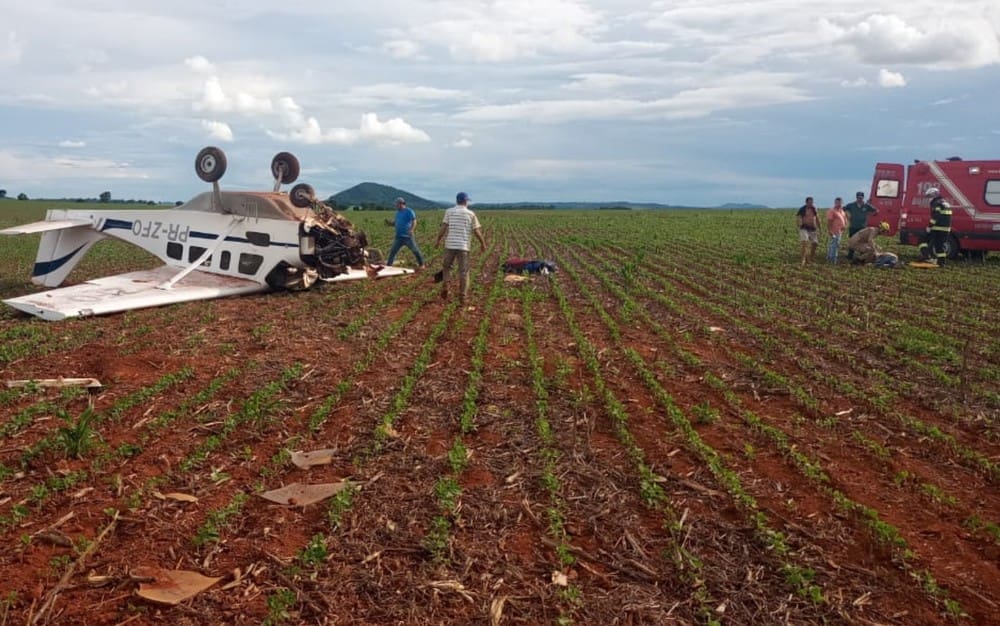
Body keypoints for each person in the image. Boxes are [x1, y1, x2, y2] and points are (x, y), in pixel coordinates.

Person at [435, 191, 486, 306]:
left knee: (447, 267)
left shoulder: (449, 212)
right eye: (468, 201)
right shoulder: (470, 214)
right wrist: (483, 243)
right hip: (463, 247)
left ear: (457, 201)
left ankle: (446, 285)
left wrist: (438, 240)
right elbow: (476, 231)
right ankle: (462, 297)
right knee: (464, 272)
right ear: (465, 201)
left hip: (450, 245)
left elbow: (443, 227)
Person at [386, 197, 425, 269]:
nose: (396, 206)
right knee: (393, 252)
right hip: (398, 237)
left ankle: (422, 264)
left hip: (407, 237)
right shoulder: (398, 213)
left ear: (401, 204)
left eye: (397, 204)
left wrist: (411, 230)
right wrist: (390, 223)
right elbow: (396, 222)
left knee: (415, 250)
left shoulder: (409, 211)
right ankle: (388, 266)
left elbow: (414, 221)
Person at [923, 187, 953, 267]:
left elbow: (936, 216)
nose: (929, 198)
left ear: (933, 195)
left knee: (925, 241)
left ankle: (928, 257)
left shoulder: (936, 203)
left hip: (938, 228)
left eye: (929, 196)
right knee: (940, 246)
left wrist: (929, 226)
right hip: (946, 228)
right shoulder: (945, 202)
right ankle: (941, 262)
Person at [844, 191, 878, 260]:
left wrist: (870, 214)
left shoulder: (866, 205)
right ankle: (850, 255)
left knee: (862, 241)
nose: (859, 199)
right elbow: (843, 209)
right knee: (852, 241)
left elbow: (876, 210)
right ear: (856, 197)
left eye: (861, 197)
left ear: (863, 198)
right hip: (853, 226)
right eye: (858, 197)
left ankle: (862, 255)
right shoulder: (851, 205)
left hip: (862, 227)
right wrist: (847, 215)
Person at [796, 196, 821, 264]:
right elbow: (798, 217)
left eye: (812, 202)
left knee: (815, 243)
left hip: (813, 228)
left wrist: (819, 228)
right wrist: (799, 225)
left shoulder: (814, 209)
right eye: (809, 202)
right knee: (805, 242)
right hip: (804, 228)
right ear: (806, 202)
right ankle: (803, 259)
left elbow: (817, 218)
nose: (811, 204)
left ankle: (811, 258)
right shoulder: (802, 209)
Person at [826, 197, 847, 263]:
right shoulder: (832, 211)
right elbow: (829, 221)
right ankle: (832, 260)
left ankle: (831, 258)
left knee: (835, 244)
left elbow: (844, 219)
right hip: (834, 231)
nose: (839, 204)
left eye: (840, 203)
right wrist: (830, 231)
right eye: (837, 203)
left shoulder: (842, 211)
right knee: (834, 245)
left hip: (840, 231)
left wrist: (844, 226)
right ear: (835, 203)